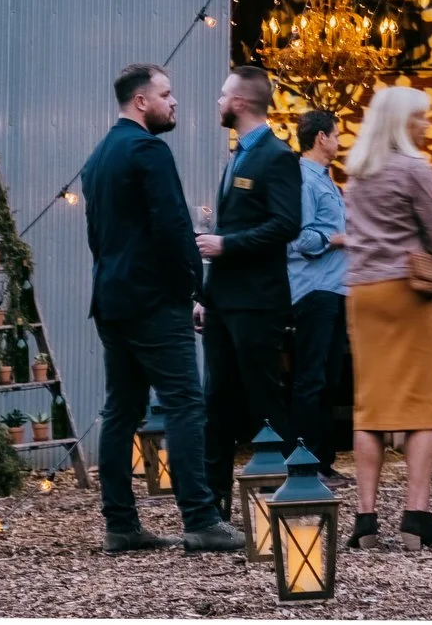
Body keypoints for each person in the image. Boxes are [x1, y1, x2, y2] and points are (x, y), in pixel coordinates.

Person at [81, 65, 244, 553]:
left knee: (122, 411)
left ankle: (121, 523)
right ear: (140, 102)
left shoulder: (98, 158)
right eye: (166, 94)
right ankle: (200, 517)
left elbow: (98, 237)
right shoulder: (148, 151)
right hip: (154, 302)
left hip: (112, 300)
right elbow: (173, 227)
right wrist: (194, 287)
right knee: (185, 404)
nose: (174, 102)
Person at [340, 86, 432, 551]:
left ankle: (365, 521)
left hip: (362, 292)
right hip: (405, 291)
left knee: (370, 407)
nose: (427, 125)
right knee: (420, 404)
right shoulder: (414, 169)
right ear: (402, 122)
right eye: (421, 118)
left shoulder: (357, 171)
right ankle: (416, 517)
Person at [196, 67, 301, 518]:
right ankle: (212, 508)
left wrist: (227, 245)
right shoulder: (236, 157)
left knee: (263, 399)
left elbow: (286, 224)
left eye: (223, 95)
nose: (218, 102)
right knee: (216, 401)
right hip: (224, 302)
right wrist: (205, 296)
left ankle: (292, 496)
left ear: (240, 102)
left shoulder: (277, 156)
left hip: (258, 302)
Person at [286, 109, 350, 485]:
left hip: (335, 287)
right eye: (337, 135)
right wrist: (337, 239)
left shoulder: (328, 181)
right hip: (313, 289)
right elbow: (297, 238)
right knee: (311, 377)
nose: (340, 142)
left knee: (329, 378)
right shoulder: (303, 181)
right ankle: (303, 462)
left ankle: (324, 462)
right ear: (321, 137)